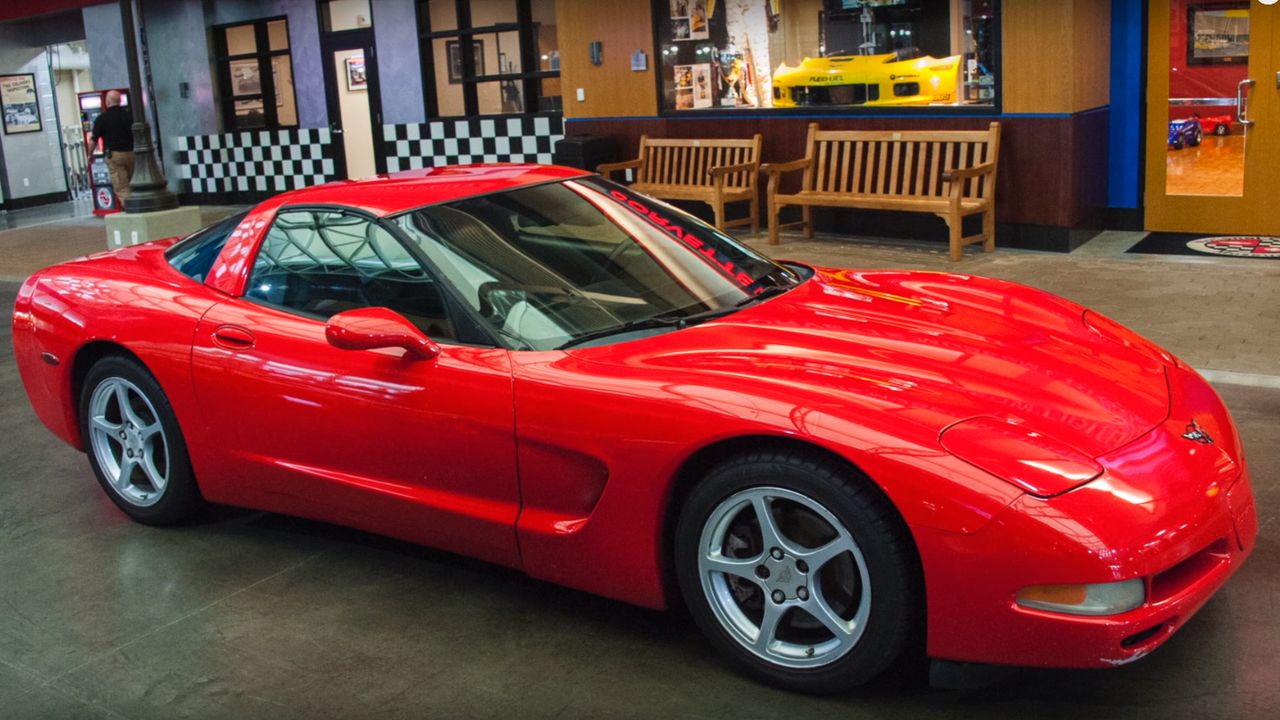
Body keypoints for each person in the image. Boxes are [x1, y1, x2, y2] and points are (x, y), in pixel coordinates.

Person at [89, 90, 134, 203]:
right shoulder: (130, 116)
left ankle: (130, 209)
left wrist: (90, 155)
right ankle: (139, 204)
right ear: (120, 101)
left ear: (107, 101)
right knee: (133, 182)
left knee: (121, 186)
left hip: (114, 155)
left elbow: (94, 140)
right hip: (132, 154)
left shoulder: (102, 119)